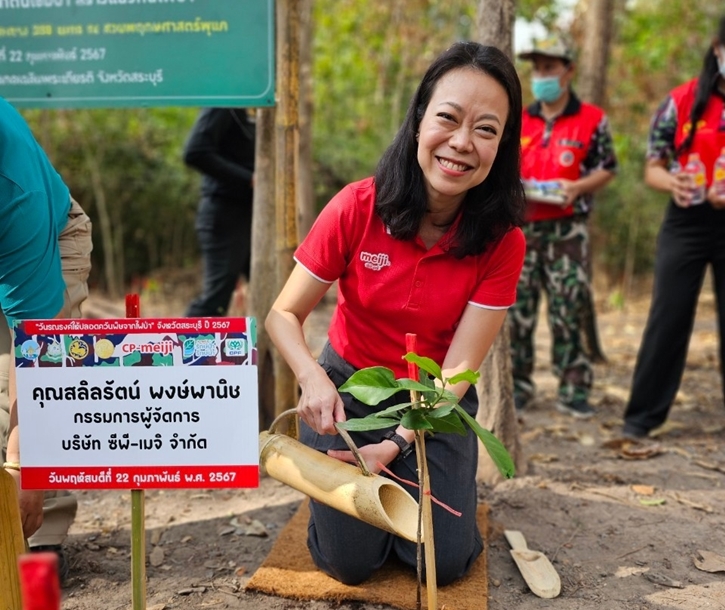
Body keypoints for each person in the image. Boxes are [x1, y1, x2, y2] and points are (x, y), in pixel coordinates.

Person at [265, 42, 526, 586]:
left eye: (485, 129)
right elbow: (282, 315)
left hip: (434, 400)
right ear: (418, 122)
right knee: (349, 563)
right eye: (448, 119)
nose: (461, 143)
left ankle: (418, 499)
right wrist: (312, 379)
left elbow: (457, 370)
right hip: (345, 390)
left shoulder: (504, 241)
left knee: (443, 563)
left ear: (501, 146)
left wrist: (399, 441)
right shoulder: (358, 205)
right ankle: (344, 515)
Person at [0, 96, 93, 581]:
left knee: (23, 392)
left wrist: (24, 469)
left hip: (48, 238)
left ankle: (39, 528)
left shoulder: (15, 195)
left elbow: (37, 353)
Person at [622, 17, 725, 439]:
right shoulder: (682, 101)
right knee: (670, 315)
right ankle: (641, 418)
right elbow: (653, 167)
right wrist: (675, 181)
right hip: (686, 222)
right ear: (718, 49)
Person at [509, 35, 618, 418]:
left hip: (568, 229)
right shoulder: (519, 117)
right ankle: (517, 385)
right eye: (538, 69)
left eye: (550, 68)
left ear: (568, 70)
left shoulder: (592, 119)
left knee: (568, 308)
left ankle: (573, 389)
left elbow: (608, 167)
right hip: (521, 229)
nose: (542, 76)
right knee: (516, 309)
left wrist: (578, 187)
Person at [184, 107, 255, 317]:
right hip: (225, 214)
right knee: (215, 301)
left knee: (276, 291)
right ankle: (178, 347)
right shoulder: (224, 101)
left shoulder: (258, 103)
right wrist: (249, 178)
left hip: (254, 215)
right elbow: (195, 152)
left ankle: (264, 349)